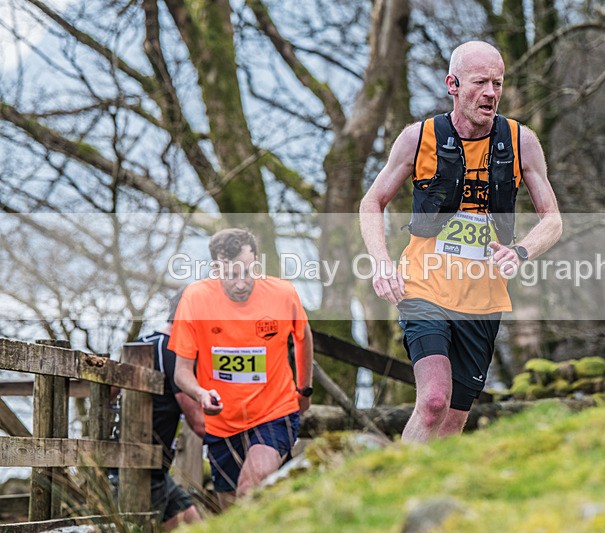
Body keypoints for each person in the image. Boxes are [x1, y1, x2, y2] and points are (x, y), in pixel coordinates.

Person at [359, 41, 562, 442]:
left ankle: (426, 494)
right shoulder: (418, 138)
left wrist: (521, 251)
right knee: (433, 400)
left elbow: (553, 220)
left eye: (497, 83)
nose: (490, 93)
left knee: (452, 420)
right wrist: (382, 263)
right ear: (452, 84)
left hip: (483, 298)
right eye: (480, 82)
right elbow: (372, 202)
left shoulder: (522, 142)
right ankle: (400, 485)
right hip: (424, 286)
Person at [169, 228, 313, 507]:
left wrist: (304, 389)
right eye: (231, 275)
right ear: (215, 268)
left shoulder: (283, 293)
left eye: (248, 272)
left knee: (250, 488)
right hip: (222, 423)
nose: (241, 283)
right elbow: (181, 372)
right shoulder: (195, 299)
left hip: (274, 412)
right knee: (232, 508)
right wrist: (200, 394)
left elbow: (303, 336)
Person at [132, 289, 205, 530]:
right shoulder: (174, 353)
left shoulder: (142, 343)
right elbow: (200, 424)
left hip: (147, 464)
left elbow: (108, 396)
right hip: (141, 466)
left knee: (194, 523)